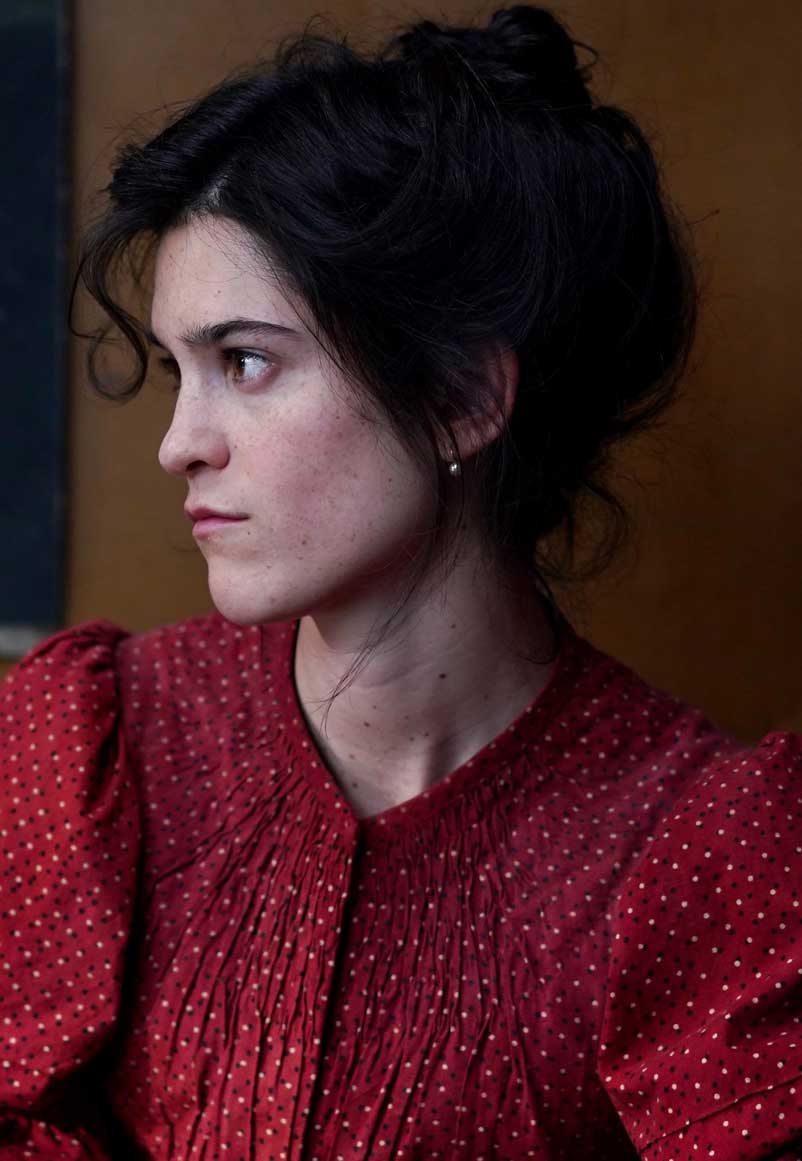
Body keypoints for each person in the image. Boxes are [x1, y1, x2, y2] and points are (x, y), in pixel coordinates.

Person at [1, 4, 800, 1158]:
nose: (180, 444)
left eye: (245, 362)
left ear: (462, 397)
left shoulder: (698, 850)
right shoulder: (105, 741)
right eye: (180, 371)